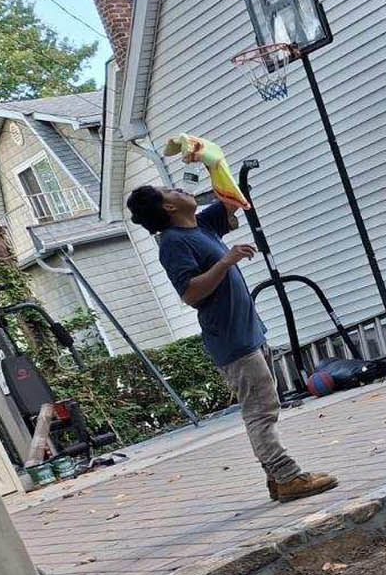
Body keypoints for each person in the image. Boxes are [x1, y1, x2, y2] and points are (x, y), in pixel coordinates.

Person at [126, 185, 336, 503]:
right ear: (168, 208)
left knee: (265, 406)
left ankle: (278, 481)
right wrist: (226, 261)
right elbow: (190, 294)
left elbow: (232, 199)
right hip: (231, 338)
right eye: (170, 190)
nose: (179, 188)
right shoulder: (172, 243)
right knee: (261, 411)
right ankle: (289, 477)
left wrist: (207, 160)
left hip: (248, 331)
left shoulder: (202, 225)